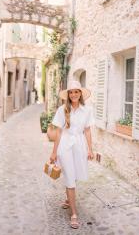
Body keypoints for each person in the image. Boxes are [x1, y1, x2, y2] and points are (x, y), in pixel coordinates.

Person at [50, 80, 94, 229]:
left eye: (76, 91)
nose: (74, 94)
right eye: (71, 92)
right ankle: (74, 213)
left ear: (80, 93)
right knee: (70, 177)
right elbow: (58, 132)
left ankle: (69, 199)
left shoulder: (87, 110)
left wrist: (90, 149)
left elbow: (87, 130)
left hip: (80, 146)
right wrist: (54, 152)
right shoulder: (62, 109)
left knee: (75, 176)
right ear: (68, 94)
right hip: (65, 146)